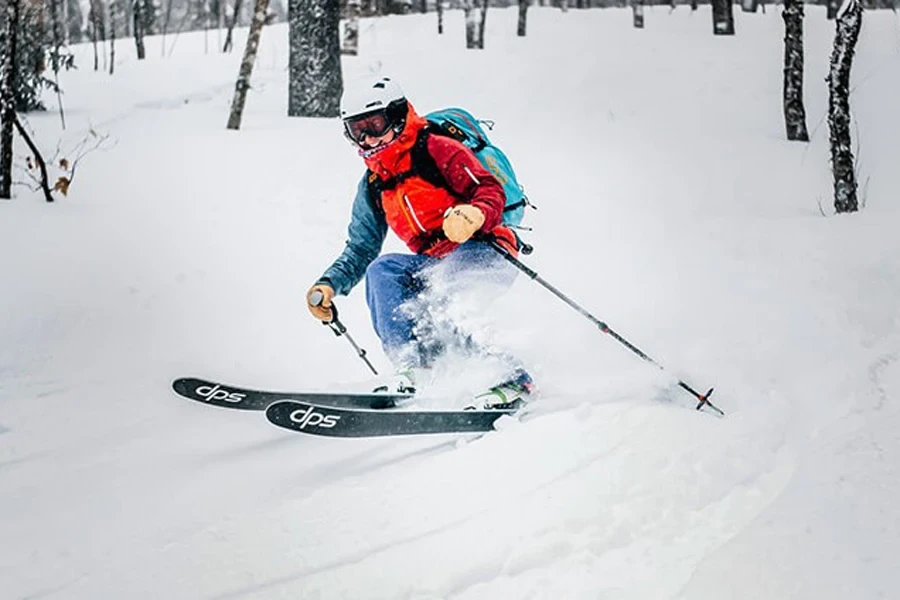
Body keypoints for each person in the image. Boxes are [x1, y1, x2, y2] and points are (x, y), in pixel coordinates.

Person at [305, 76, 533, 409]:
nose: (367, 138)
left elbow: (489, 189)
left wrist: (474, 214)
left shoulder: (435, 148)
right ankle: (415, 369)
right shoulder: (375, 182)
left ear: (396, 117)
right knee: (383, 269)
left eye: (374, 124)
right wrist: (330, 284)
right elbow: (361, 248)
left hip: (485, 249)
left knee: (450, 292)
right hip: (436, 261)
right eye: (357, 130)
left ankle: (513, 379)